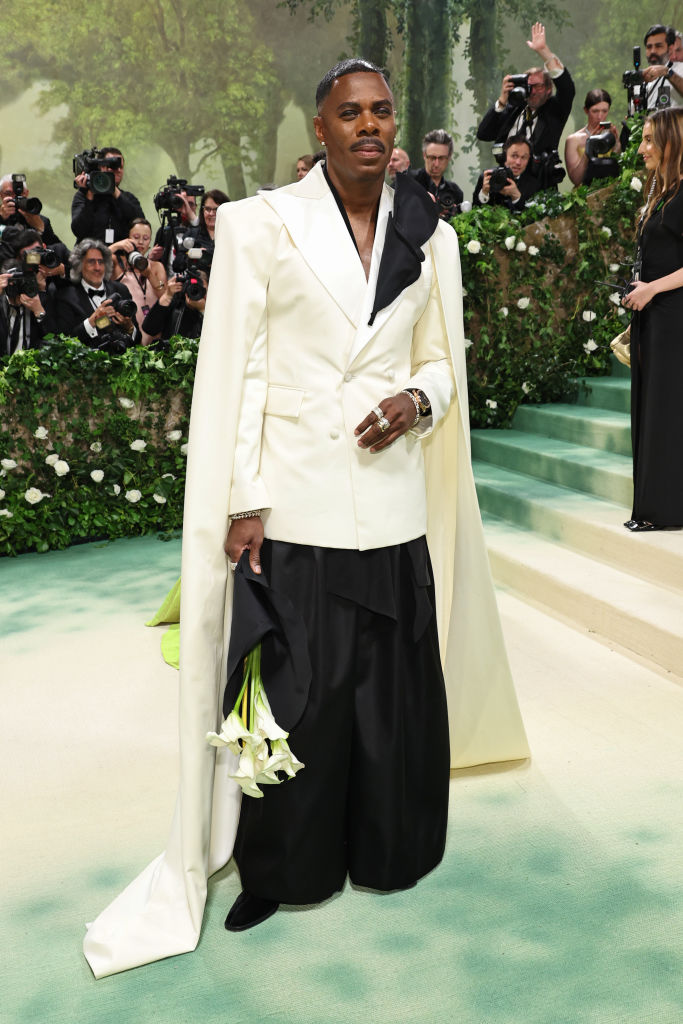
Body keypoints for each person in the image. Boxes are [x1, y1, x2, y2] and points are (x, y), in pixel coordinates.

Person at [82, 57, 528, 978]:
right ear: (320, 130)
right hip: (293, 501)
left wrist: (417, 399)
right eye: (348, 113)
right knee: (297, 702)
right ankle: (279, 869)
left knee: (389, 697)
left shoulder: (430, 232)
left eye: (381, 111)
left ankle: (392, 851)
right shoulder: (260, 224)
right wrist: (243, 499)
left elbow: (440, 359)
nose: (369, 125)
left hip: (394, 499)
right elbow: (240, 369)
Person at [621, 107, 683, 531]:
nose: (641, 148)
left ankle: (666, 509)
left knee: (666, 411)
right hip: (653, 319)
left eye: (648, 140)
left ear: (669, 143)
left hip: (674, 321)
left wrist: (653, 290)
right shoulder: (662, 193)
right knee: (649, 409)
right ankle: (650, 508)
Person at [477, 22, 575, 162]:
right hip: (508, 173)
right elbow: (484, 134)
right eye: (528, 86)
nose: (532, 91)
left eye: (538, 86)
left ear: (548, 90)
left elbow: (567, 88)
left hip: (539, 175)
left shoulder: (554, 110)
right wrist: (502, 102)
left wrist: (544, 52)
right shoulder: (514, 109)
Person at [55, 238, 138, 348]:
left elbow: (138, 340)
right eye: (91, 262)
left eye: (101, 262)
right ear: (79, 265)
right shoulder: (66, 296)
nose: (97, 268)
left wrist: (130, 328)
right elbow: (65, 342)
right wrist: (92, 321)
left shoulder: (121, 289)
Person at [108, 219, 167, 344]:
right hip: (127, 333)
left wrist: (149, 275)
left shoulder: (156, 266)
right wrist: (116, 246)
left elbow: (165, 296)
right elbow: (95, 260)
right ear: (127, 239)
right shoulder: (116, 262)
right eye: (136, 237)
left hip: (154, 335)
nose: (140, 242)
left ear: (150, 242)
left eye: (146, 238)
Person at [71, 147, 145, 243]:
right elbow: (79, 230)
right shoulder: (83, 196)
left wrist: (114, 191)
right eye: (114, 166)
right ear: (101, 167)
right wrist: (89, 196)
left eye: (121, 167)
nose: (118, 170)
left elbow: (140, 225)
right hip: (91, 251)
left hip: (121, 251)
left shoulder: (129, 198)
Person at [564, 89, 622, 187]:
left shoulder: (611, 136)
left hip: (610, 190)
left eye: (604, 111)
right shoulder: (574, 140)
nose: (600, 116)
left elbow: (618, 170)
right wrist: (590, 145)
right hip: (584, 193)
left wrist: (617, 145)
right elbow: (576, 180)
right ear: (586, 110)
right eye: (595, 111)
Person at [473, 134, 541, 211]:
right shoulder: (487, 177)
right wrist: (484, 193)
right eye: (514, 156)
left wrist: (517, 197)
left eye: (523, 157)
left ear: (529, 159)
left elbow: (534, 215)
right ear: (504, 156)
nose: (518, 162)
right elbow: (474, 210)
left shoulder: (534, 185)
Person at [411, 129, 464, 218]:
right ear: (424, 155)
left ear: (449, 157)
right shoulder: (407, 181)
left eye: (441, 158)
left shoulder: (455, 192)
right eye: (432, 158)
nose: (436, 164)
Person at [641, 24, 683, 110]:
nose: (653, 51)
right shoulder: (642, 78)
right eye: (649, 47)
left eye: (658, 46)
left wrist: (668, 72)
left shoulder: (680, 68)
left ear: (670, 49)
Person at [192, 189, 230, 254]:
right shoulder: (192, 234)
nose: (211, 213)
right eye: (208, 209)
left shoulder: (233, 234)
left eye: (216, 209)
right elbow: (180, 258)